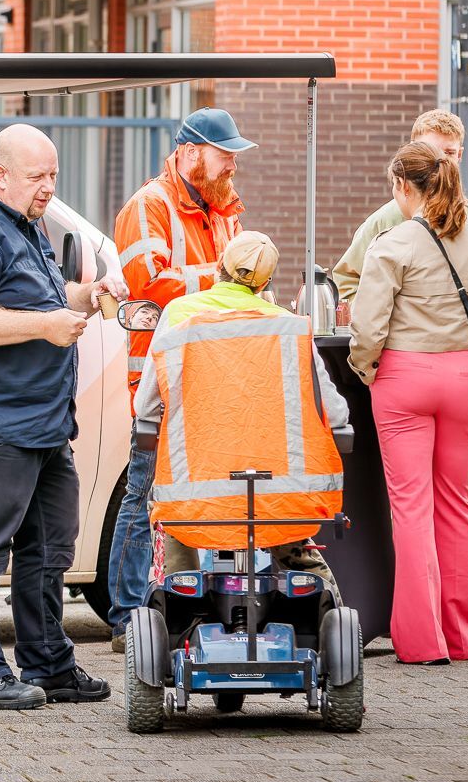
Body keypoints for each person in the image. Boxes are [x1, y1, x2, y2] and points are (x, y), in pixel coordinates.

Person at [0, 123, 124, 711]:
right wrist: (44, 326)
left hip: (43, 421)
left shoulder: (23, 223)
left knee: (49, 547)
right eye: (37, 176)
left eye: (53, 176)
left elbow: (40, 297)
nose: (48, 188)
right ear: (0, 174)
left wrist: (87, 295)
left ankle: (48, 664)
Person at [347, 143, 468, 664]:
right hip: (465, 380)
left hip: (402, 378)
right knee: (458, 505)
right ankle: (460, 636)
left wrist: (368, 369)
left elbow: (367, 327)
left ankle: (422, 641)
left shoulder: (392, 244)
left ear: (402, 186)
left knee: (411, 508)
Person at [134, 231, 351, 592]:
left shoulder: (178, 313)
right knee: (287, 528)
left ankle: (179, 591)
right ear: (264, 284)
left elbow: (145, 405)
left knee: (172, 517)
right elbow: (335, 409)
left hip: (195, 498)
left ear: (219, 264)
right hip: (275, 496)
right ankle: (323, 596)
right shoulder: (289, 327)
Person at [106, 107, 251, 642]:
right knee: (145, 495)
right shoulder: (149, 205)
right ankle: (125, 617)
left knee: (201, 496)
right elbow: (148, 282)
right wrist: (225, 279)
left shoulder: (224, 207)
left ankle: (192, 608)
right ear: (191, 153)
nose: (232, 164)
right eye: (224, 154)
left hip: (216, 374)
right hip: (162, 379)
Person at [331, 110, 468, 308]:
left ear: (460, 155)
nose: (439, 163)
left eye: (448, 153)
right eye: (429, 151)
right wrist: (384, 317)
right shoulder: (383, 221)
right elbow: (347, 282)